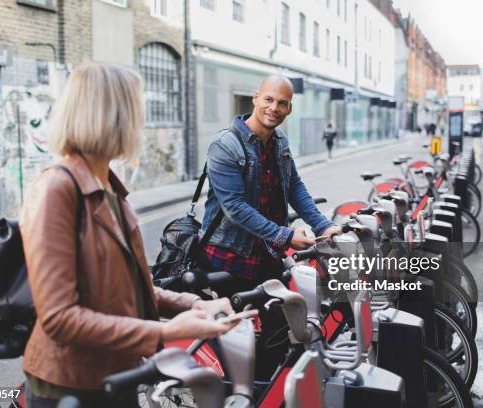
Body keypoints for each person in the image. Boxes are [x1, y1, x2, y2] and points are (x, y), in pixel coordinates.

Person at [19, 63, 238, 408]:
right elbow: (59, 318)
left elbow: (125, 289)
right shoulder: (57, 189)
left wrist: (194, 304)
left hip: (118, 371)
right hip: (71, 385)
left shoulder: (108, 187)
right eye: (136, 110)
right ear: (113, 116)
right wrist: (166, 331)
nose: (141, 123)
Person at [200, 75, 342, 378]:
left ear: (289, 108)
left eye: (282, 103)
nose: (274, 107)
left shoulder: (279, 142)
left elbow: (295, 188)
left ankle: (261, 392)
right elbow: (235, 207)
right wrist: (286, 235)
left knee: (278, 333)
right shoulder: (225, 145)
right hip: (231, 257)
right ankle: (236, 391)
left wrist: (323, 225)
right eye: (268, 99)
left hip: (265, 256)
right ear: (255, 98)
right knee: (241, 341)